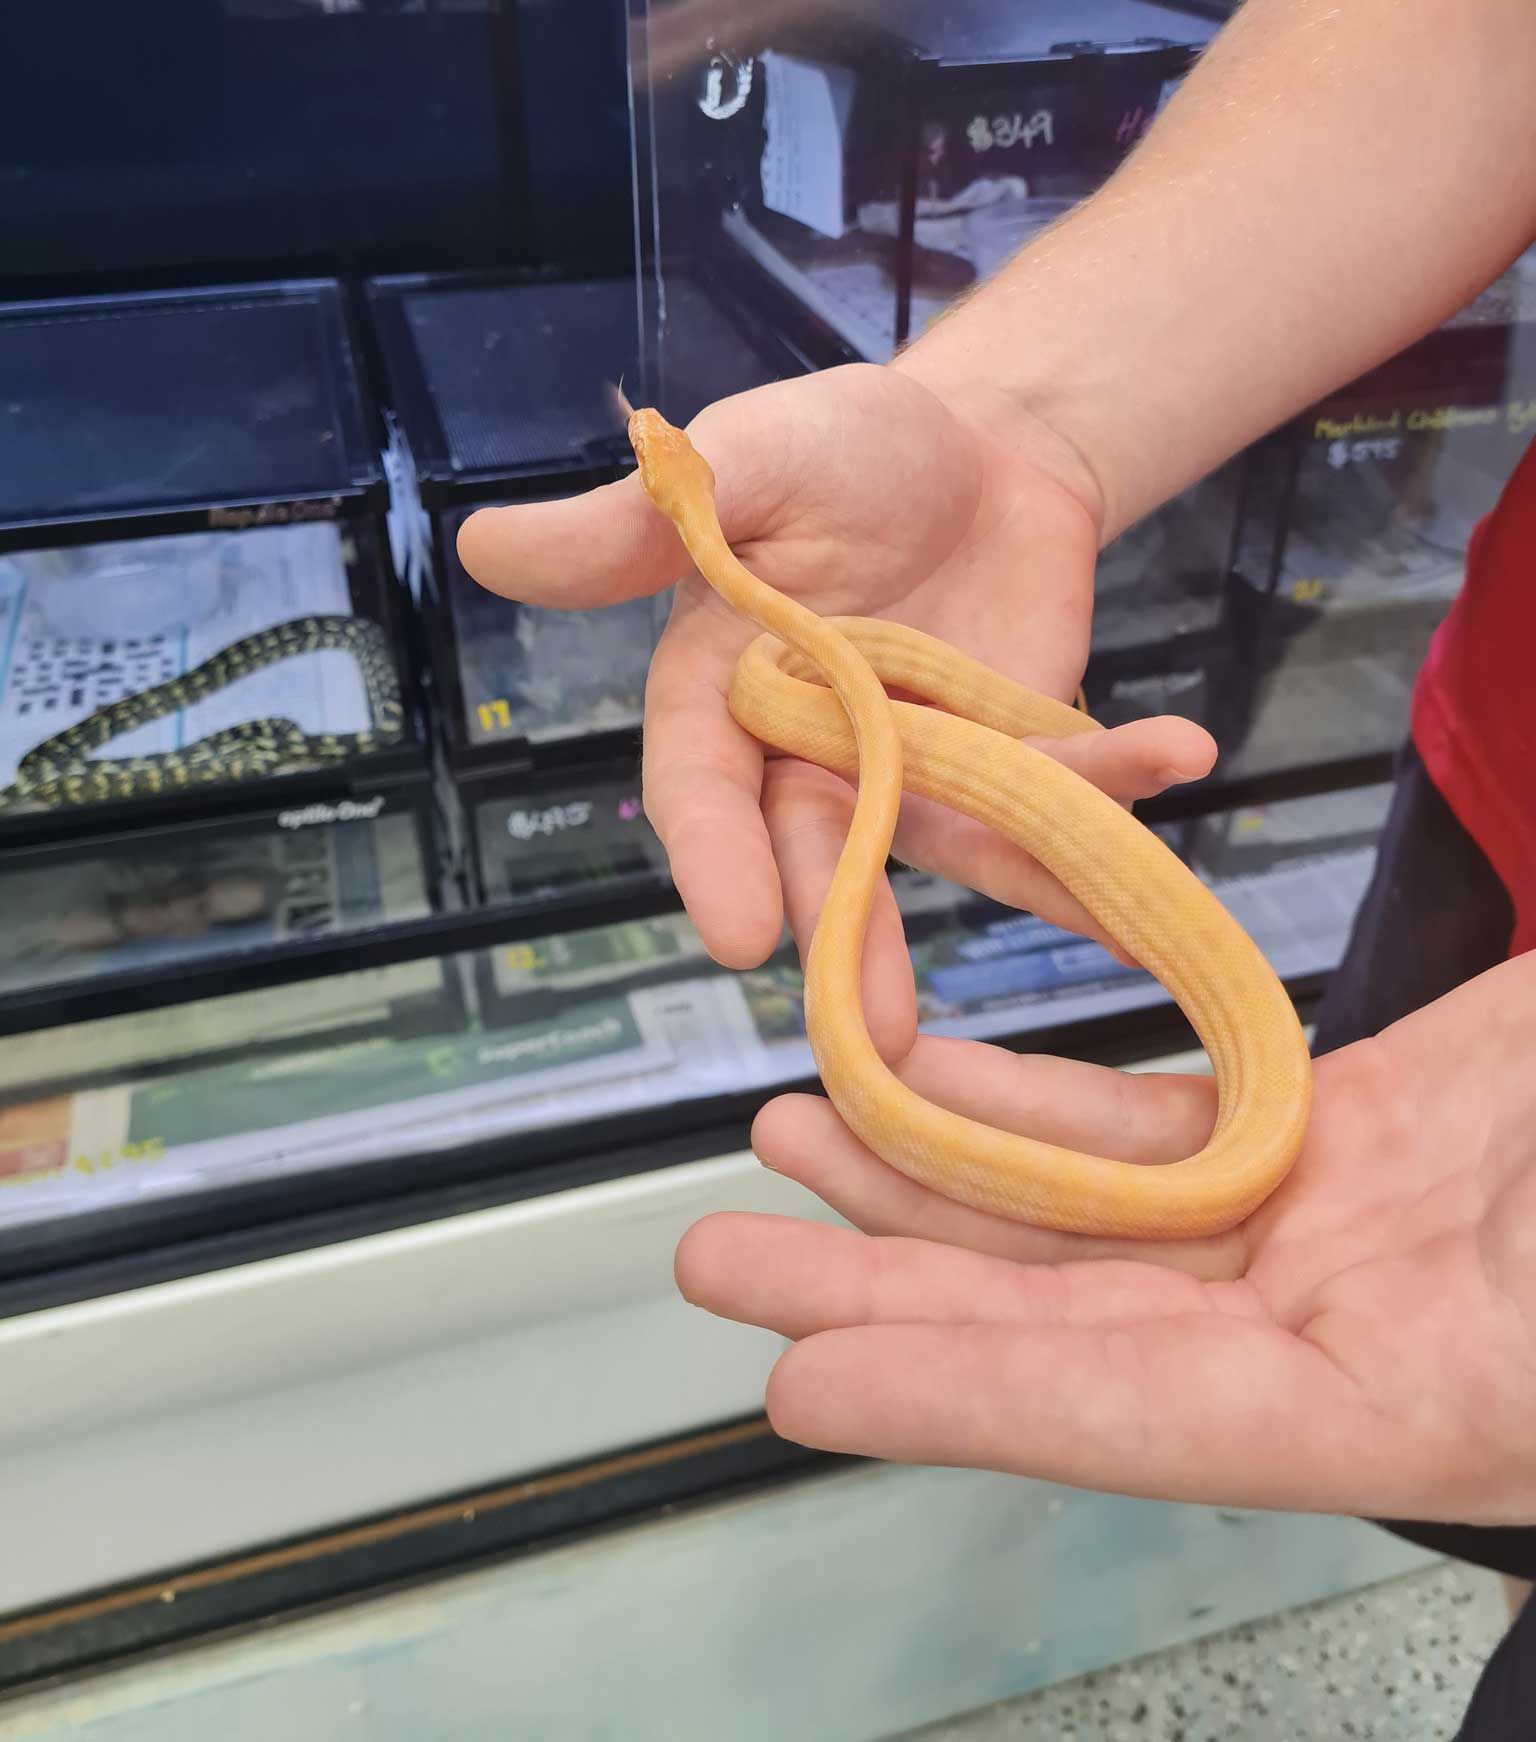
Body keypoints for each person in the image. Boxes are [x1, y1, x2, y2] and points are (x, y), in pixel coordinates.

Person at [457, 0, 1536, 1729]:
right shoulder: (782, 646)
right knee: (1450, 1442)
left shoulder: (786, 655)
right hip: (1519, 767)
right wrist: (1014, 423)